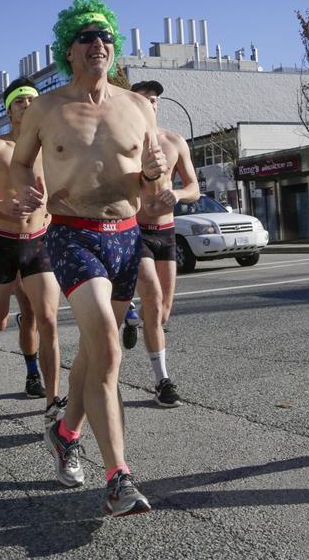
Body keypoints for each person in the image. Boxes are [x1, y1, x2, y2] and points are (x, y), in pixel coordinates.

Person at [12, 0, 166, 517]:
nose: (99, 43)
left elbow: (154, 185)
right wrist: (28, 192)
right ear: (68, 50)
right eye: (86, 36)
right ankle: (119, 476)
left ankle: (64, 430)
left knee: (97, 354)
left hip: (125, 235)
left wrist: (154, 179)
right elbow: (18, 164)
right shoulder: (46, 107)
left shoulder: (137, 106)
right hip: (71, 233)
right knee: (106, 342)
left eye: (106, 36)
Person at [0, 77, 65, 431]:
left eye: (32, 99)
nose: (26, 105)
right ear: (9, 110)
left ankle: (52, 401)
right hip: (3, 244)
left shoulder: (49, 147)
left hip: (38, 242)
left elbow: (61, 189)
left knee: (46, 319)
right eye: (20, 101)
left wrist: (54, 213)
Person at [122, 80, 199, 408]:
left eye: (153, 100)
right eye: (142, 100)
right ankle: (162, 382)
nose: (149, 104)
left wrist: (179, 194)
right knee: (152, 293)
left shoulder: (175, 141)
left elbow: (194, 186)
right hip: (136, 231)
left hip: (166, 231)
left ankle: (132, 317)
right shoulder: (124, 144)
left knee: (162, 312)